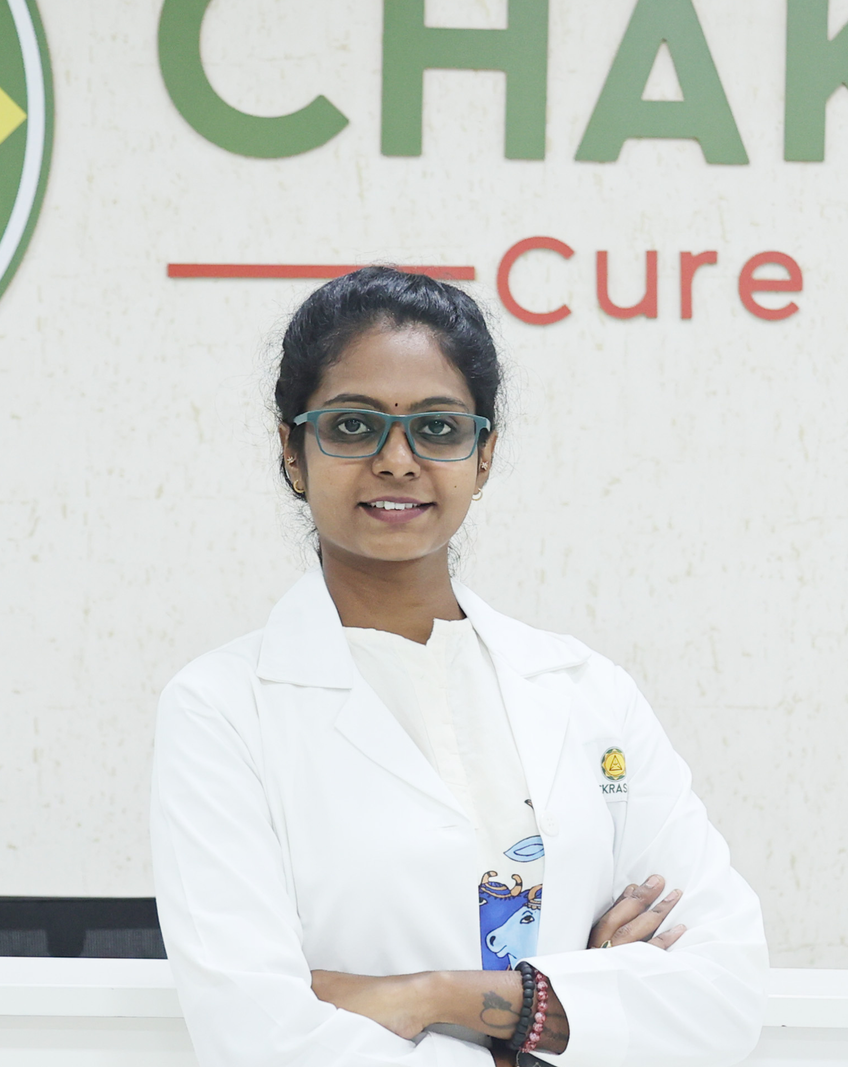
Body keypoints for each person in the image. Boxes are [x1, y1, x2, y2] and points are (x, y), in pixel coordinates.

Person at [150, 267, 768, 1067]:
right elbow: (260, 1034)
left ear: (484, 455)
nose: (397, 459)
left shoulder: (587, 691)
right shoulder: (222, 709)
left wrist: (435, 995)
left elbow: (724, 993)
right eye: (352, 425)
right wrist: (576, 1005)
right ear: (292, 451)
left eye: (438, 428)